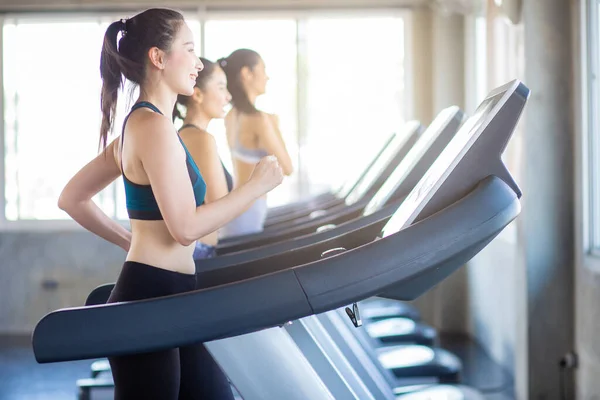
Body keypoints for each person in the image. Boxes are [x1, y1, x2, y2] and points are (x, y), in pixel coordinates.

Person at [57, 8, 283, 399]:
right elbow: (185, 228)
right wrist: (255, 186)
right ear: (158, 58)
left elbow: (72, 198)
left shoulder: (145, 125)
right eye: (190, 50)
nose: (198, 63)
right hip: (150, 293)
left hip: (170, 288)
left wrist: (133, 242)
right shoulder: (153, 127)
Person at [217, 49, 293, 237]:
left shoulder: (231, 116)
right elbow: (288, 167)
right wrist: (275, 126)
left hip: (234, 209)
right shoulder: (259, 120)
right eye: (263, 69)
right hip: (250, 212)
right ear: (246, 74)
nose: (267, 77)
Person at [172, 57, 235, 259]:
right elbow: (223, 207)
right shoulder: (200, 139)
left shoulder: (188, 135)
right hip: (200, 254)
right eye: (221, 88)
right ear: (197, 94)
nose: (228, 97)